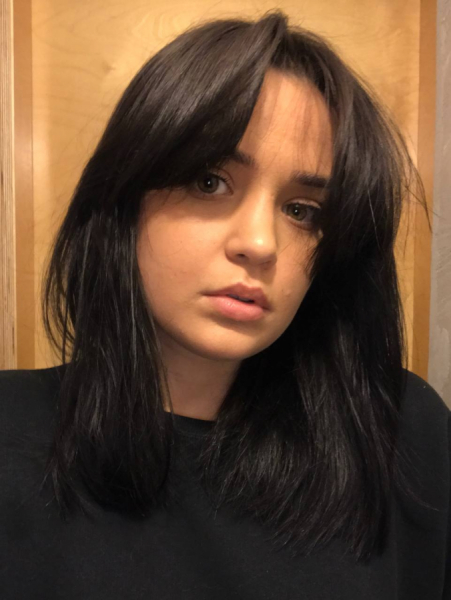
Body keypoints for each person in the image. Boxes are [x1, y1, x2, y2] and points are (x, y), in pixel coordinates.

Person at [1, 10, 449, 600]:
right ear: (126, 197)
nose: (260, 244)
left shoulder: (401, 433)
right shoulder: (12, 432)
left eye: (303, 211)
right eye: (209, 182)